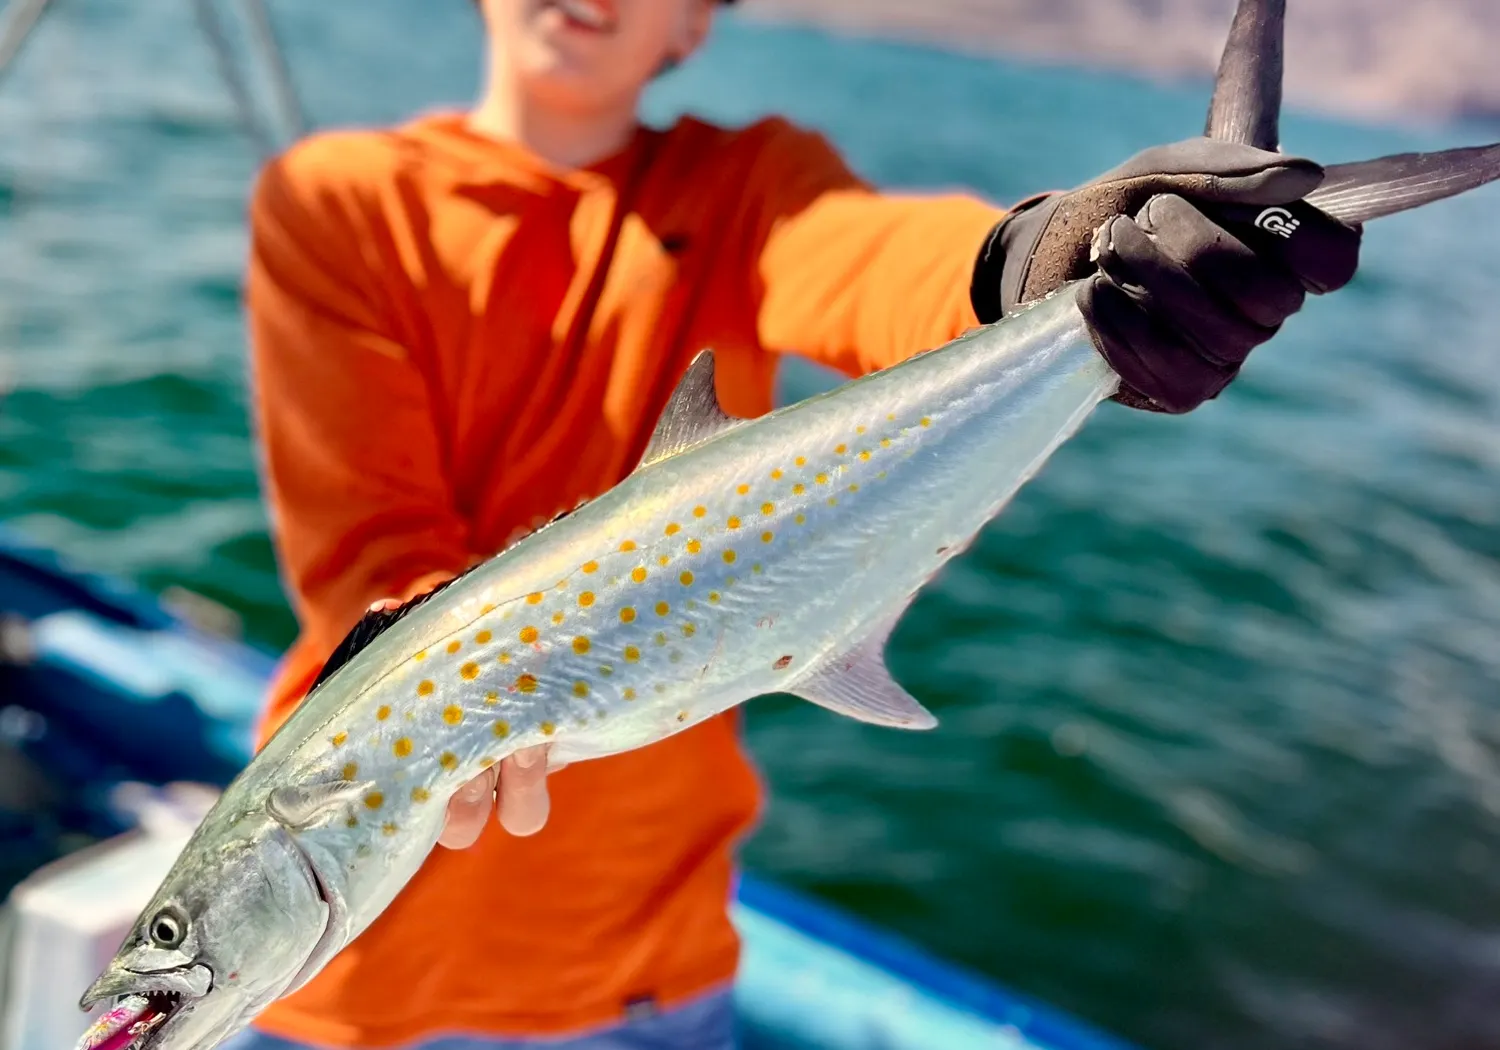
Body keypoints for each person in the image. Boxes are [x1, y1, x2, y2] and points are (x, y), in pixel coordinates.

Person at [235, 0, 1360, 1048]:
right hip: (361, 980)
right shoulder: (335, 198)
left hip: (650, 973)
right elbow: (368, 557)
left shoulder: (747, 186)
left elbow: (874, 261)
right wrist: (459, 707)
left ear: (694, 25)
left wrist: (1049, 261)